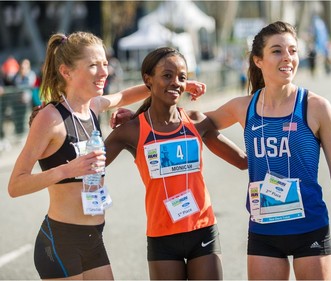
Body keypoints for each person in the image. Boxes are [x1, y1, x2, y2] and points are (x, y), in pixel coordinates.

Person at [7, 32, 204, 280]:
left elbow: (125, 95)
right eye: (93, 65)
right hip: (61, 242)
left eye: (104, 63)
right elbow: (16, 185)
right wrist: (68, 170)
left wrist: (178, 85)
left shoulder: (93, 107)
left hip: (93, 239)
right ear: (66, 72)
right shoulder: (50, 118)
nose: (104, 72)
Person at [202, 21, 331, 280]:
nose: (288, 58)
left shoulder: (316, 107)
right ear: (258, 60)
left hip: (310, 228)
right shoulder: (244, 107)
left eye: (293, 50)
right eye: (277, 50)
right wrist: (238, 159)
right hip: (264, 232)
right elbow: (195, 125)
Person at [104, 47, 247, 280]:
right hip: (162, 237)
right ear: (148, 80)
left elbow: (242, 162)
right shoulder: (132, 130)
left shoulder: (197, 121)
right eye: (167, 75)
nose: (176, 83)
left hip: (203, 229)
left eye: (182, 77)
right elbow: (90, 166)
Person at [12, 58, 37, 136]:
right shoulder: (16, 76)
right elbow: (15, 85)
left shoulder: (31, 75)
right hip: (17, 101)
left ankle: (26, 135)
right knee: (17, 119)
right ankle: (19, 134)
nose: (23, 68)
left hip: (29, 102)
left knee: (27, 119)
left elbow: (29, 85)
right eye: (22, 67)